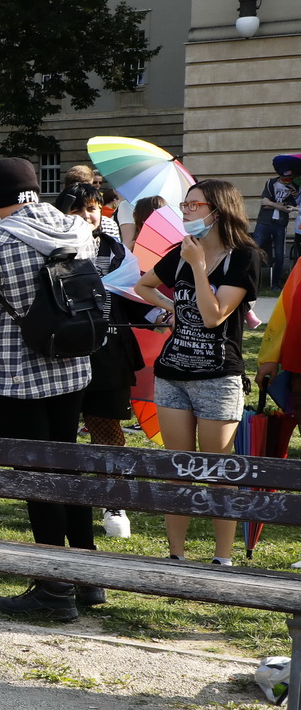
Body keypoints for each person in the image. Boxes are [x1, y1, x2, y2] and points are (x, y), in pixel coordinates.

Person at [0, 156, 99, 619]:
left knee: (37, 481)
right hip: (74, 366)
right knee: (68, 469)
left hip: (19, 375)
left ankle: (52, 588)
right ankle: (88, 575)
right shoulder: (74, 227)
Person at [135, 179, 259, 565]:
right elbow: (144, 286)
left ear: (217, 211)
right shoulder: (181, 251)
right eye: (184, 205)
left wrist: (199, 268)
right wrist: (170, 309)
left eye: (193, 206)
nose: (185, 211)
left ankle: (222, 557)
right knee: (178, 469)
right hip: (172, 374)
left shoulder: (244, 257)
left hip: (218, 377)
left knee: (218, 470)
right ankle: (175, 555)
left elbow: (213, 315)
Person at [57, 180, 143, 540]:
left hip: (108, 356)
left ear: (101, 212)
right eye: (76, 209)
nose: (85, 215)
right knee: (60, 434)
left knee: (107, 432)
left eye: (91, 208)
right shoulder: (51, 252)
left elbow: (138, 299)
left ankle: (113, 502)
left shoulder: (118, 252)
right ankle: (62, 500)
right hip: (60, 357)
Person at [257, 157, 300, 288]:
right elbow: (265, 203)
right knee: (254, 250)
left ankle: (275, 284)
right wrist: (280, 205)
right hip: (264, 222)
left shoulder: (295, 188)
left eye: (290, 178)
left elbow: (289, 208)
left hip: (280, 224)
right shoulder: (271, 183)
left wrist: (293, 196)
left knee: (280, 255)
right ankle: (252, 280)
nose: (287, 180)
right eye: (285, 178)